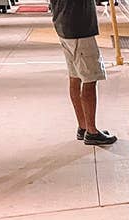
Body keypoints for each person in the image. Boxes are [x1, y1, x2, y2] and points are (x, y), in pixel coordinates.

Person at [50, 0, 117, 146]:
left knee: (75, 77)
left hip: (64, 24)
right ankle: (91, 131)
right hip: (79, 27)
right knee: (89, 79)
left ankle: (83, 126)